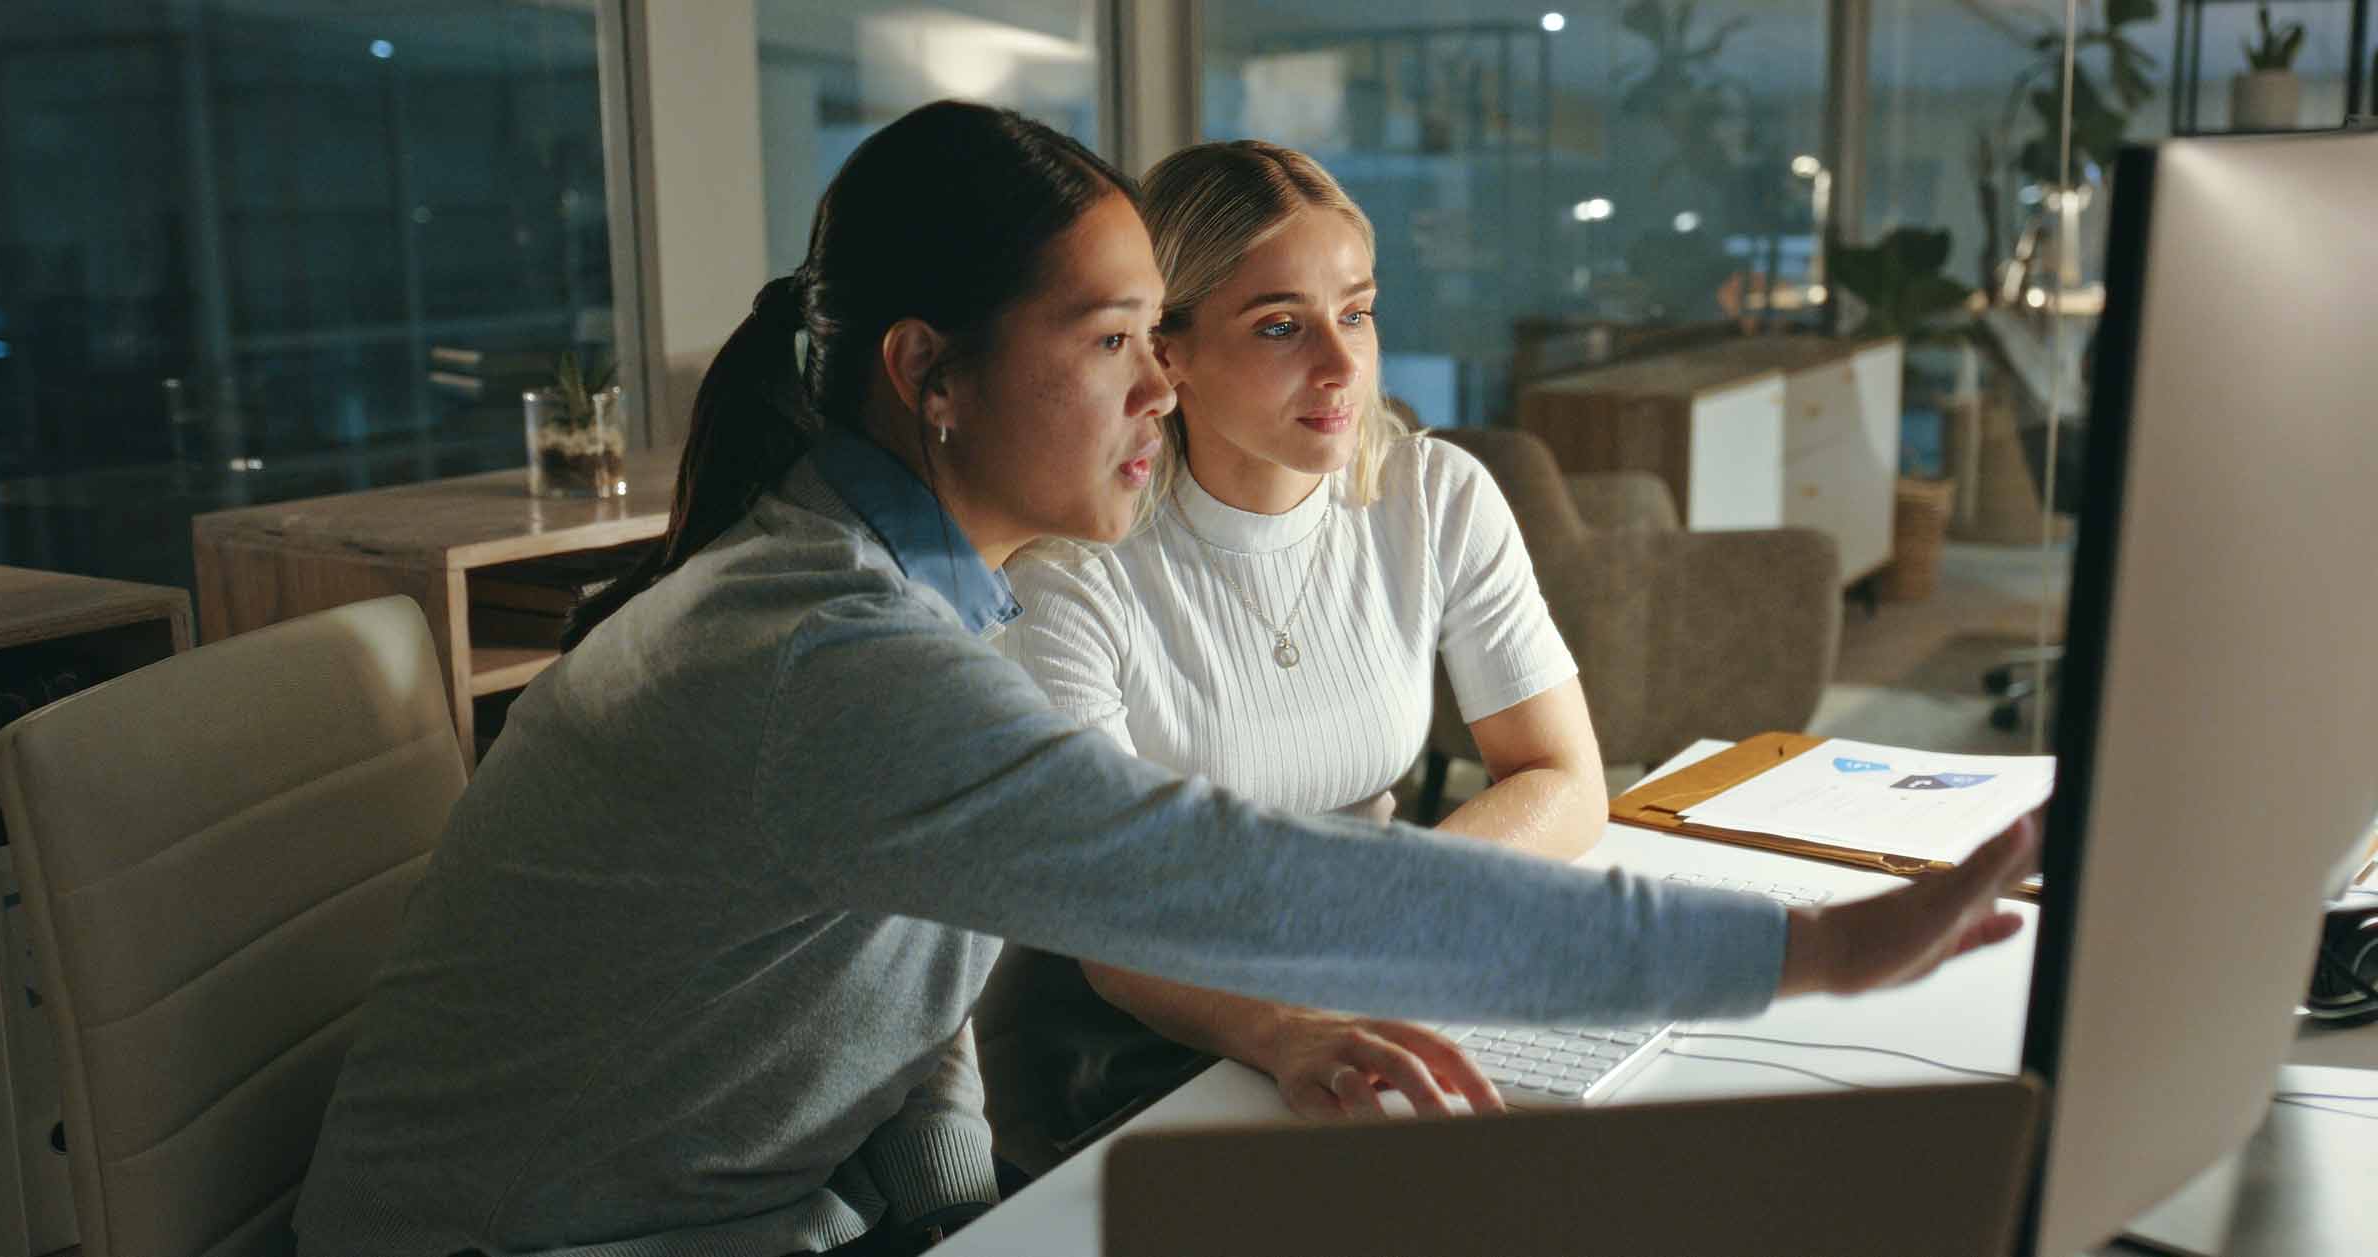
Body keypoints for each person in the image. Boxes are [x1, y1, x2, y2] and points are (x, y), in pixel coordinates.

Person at [293, 102, 2036, 1257]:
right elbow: (1237, 887)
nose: (1155, 392)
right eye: (1115, 341)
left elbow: (911, 1040)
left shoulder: (918, 599)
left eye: (1152, 339)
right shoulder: (830, 653)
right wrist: (1796, 951)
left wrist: (977, 1229)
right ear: (931, 374)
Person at [985, 140, 1606, 1161]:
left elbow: (1563, 778)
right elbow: (1110, 924)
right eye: (1281, 325)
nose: (1342, 364)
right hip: (1133, 1047)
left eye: (1354, 312)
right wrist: (1293, 1018)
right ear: (1166, 350)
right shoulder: (1075, 571)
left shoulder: (1432, 495)